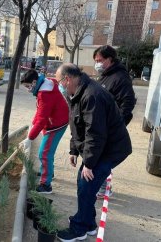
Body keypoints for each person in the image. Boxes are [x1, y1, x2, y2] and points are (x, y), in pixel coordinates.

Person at [55, 63, 132, 242]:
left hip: (110, 149)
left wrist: (89, 163)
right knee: (84, 184)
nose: (58, 85)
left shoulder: (92, 95)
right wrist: (74, 149)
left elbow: (95, 133)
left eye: (59, 81)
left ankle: (79, 228)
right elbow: (76, 124)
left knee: (86, 184)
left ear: (67, 80)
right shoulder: (75, 93)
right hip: (101, 147)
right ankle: (88, 223)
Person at [93, 45, 136, 198]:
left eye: (99, 60)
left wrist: (117, 124)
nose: (97, 63)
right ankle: (103, 186)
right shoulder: (105, 75)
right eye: (96, 61)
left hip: (110, 126)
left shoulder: (120, 77)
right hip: (102, 124)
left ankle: (104, 188)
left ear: (109, 59)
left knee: (102, 157)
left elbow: (128, 102)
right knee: (100, 156)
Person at [21, 69, 69, 194]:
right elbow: (40, 111)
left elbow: (42, 118)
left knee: (44, 153)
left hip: (56, 124)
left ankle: (46, 185)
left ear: (34, 82)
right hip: (56, 120)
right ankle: (47, 172)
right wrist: (33, 123)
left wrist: (30, 138)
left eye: (27, 86)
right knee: (47, 151)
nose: (27, 89)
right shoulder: (44, 86)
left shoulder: (45, 94)